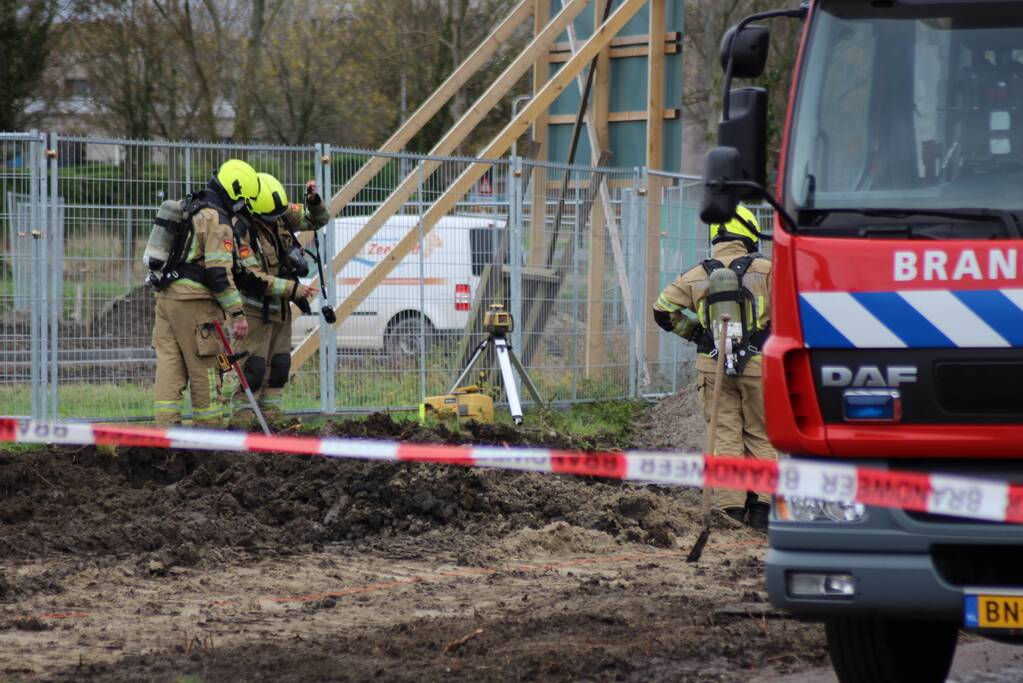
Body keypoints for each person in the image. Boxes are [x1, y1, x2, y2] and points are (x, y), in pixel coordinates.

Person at [651, 205, 777, 529]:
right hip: (759, 366)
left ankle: (731, 512)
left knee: (724, 437)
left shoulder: (696, 275)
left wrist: (695, 333)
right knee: (761, 435)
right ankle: (762, 511)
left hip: (713, 366)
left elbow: (662, 310)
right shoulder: (768, 269)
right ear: (750, 231)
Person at [152, 159, 258, 426]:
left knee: (169, 367)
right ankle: (208, 441)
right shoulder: (218, 221)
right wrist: (237, 313)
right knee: (208, 370)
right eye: (242, 201)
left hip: (166, 299)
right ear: (234, 192)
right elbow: (218, 273)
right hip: (197, 306)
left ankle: (166, 433)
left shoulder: (191, 207)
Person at [228, 173, 329, 428]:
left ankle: (271, 420)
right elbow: (252, 275)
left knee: (280, 366)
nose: (276, 221)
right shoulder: (241, 229)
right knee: (252, 368)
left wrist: (314, 202)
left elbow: (317, 220)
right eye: (270, 218)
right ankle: (243, 421)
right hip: (254, 311)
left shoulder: (279, 211)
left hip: (281, 309)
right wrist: (293, 289)